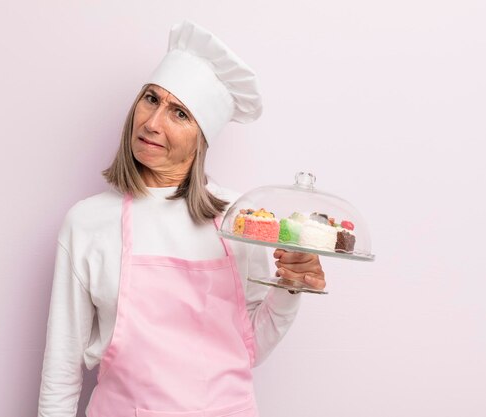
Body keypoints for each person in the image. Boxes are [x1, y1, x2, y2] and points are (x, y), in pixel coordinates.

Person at [38, 20, 326, 417]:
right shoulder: (87, 223)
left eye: (179, 113)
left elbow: (250, 347)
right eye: (151, 99)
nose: (153, 123)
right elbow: (61, 370)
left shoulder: (239, 220)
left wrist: (290, 286)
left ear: (201, 137)